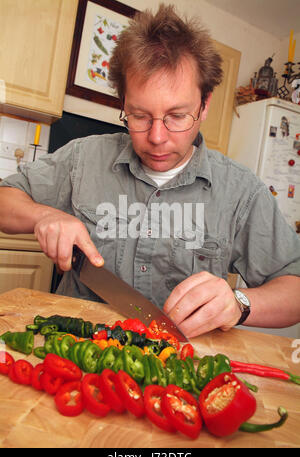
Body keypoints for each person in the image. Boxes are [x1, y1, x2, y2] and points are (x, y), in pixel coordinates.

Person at [0, 5, 299, 338]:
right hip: (75, 355)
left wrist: (239, 303)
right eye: (139, 116)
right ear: (123, 104)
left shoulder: (241, 192)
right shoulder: (84, 157)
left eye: (177, 115)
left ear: (205, 105)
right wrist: (42, 216)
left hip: (177, 367)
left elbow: (295, 287)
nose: (157, 137)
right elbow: (5, 200)